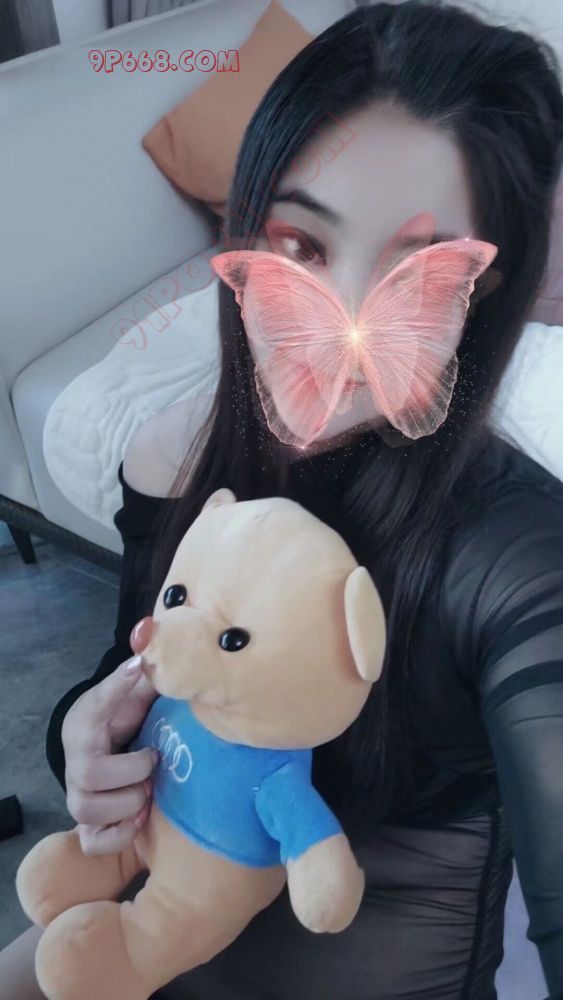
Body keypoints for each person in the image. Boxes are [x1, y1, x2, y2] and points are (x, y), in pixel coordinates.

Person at [3, 2, 563, 997]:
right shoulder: (177, 451)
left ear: (476, 292)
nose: (340, 331)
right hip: (143, 935)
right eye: (301, 244)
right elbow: (129, 676)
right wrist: (86, 732)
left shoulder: (511, 555)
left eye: (409, 271)